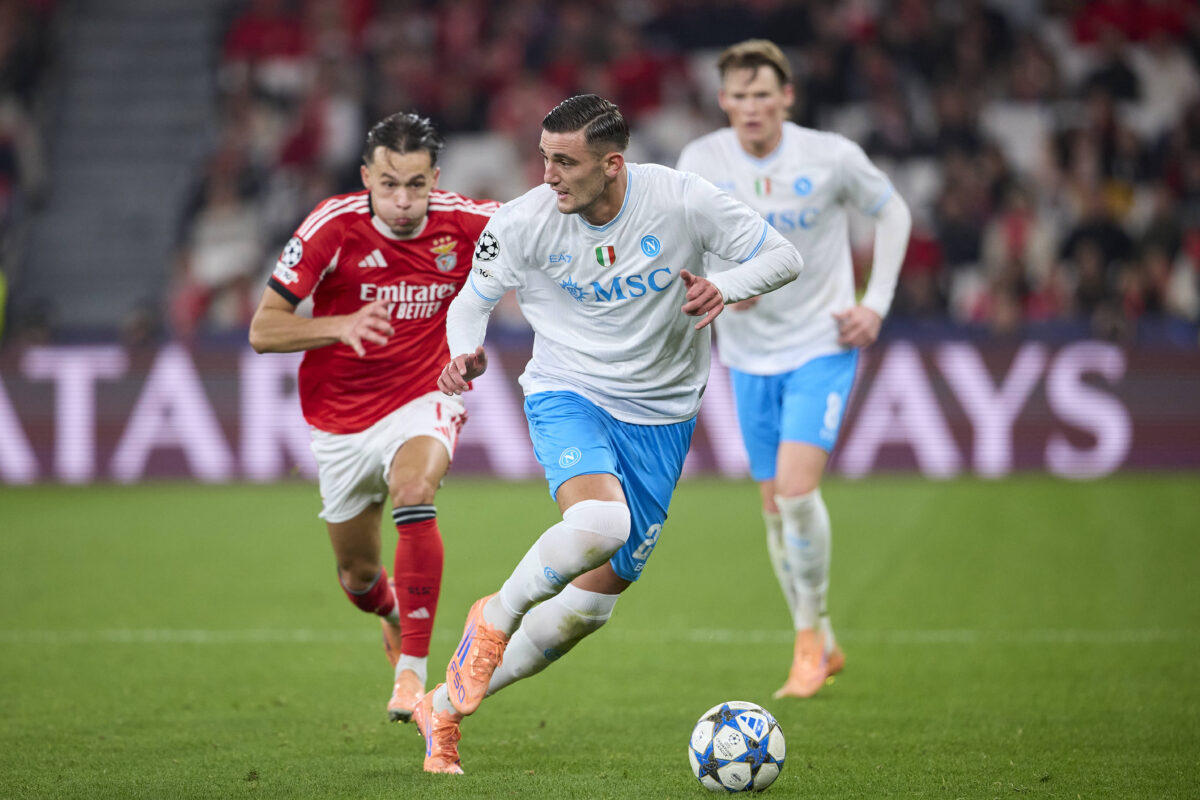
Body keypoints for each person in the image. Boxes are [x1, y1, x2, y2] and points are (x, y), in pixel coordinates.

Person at [414, 94, 804, 774]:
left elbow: (783, 256)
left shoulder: (681, 200)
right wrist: (463, 352)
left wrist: (725, 284)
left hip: (662, 414)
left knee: (587, 611)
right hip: (570, 391)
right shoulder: (525, 222)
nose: (548, 176)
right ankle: (494, 619)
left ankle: (441, 709)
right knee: (600, 522)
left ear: (613, 165)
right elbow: (472, 301)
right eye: (544, 158)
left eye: (565, 163)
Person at [676, 40, 912, 699]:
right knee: (774, 509)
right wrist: (726, 280)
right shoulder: (702, 160)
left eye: (763, 94)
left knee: (796, 492)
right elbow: (683, 239)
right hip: (748, 354)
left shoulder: (829, 156)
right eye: (739, 96)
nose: (752, 107)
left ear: (787, 97)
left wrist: (876, 303)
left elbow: (892, 211)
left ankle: (808, 642)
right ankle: (822, 638)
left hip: (822, 341)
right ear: (723, 101)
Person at [248, 112, 499, 723]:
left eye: (417, 184)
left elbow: (553, 237)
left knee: (415, 490)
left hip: (424, 395)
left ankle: (412, 676)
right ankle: (390, 616)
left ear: (436, 178)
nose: (404, 200)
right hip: (340, 419)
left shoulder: (470, 221)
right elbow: (262, 329)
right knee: (359, 576)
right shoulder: (331, 226)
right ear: (366, 177)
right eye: (389, 184)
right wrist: (338, 324)